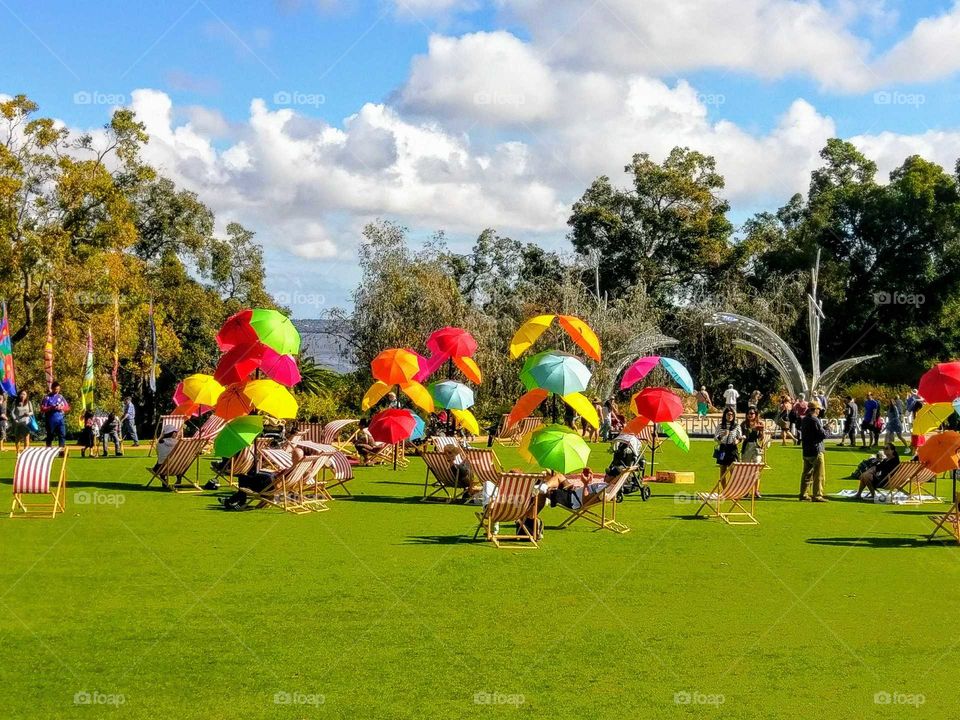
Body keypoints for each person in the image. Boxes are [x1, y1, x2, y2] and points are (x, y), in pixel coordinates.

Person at [799, 400, 827, 502]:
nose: (819, 411)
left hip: (806, 450)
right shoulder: (815, 420)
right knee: (819, 474)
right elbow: (822, 435)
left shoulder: (805, 419)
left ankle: (803, 494)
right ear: (815, 409)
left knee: (806, 474)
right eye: (818, 409)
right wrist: (828, 428)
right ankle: (817, 495)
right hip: (816, 450)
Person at [714, 407, 742, 486]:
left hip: (732, 449)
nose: (730, 416)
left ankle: (731, 489)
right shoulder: (720, 426)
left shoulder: (736, 426)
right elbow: (715, 438)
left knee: (733, 470)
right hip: (722, 448)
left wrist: (737, 441)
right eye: (728, 414)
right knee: (722, 470)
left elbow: (739, 437)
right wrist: (722, 435)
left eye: (732, 414)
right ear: (725, 415)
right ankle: (724, 490)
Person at [40, 381, 70, 449]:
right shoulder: (47, 397)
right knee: (50, 435)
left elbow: (67, 407)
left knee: (62, 434)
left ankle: (61, 450)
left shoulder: (61, 397)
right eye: (55, 389)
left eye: (58, 389)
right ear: (52, 388)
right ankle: (48, 449)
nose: (57, 391)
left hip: (60, 419)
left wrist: (61, 407)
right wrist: (51, 407)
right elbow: (42, 409)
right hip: (50, 420)